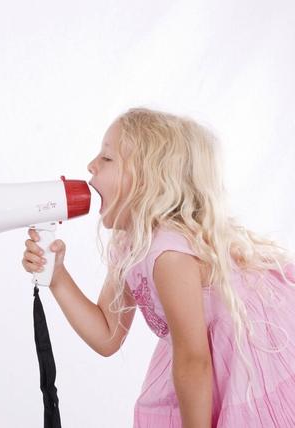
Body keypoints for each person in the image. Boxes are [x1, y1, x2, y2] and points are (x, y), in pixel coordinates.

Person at [22, 108, 295, 427]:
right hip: (201, 365)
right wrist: (57, 276)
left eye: (107, 159)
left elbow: (194, 363)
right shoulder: (131, 243)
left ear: (147, 178)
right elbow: (108, 334)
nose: (91, 166)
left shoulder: (168, 253)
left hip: (251, 362)